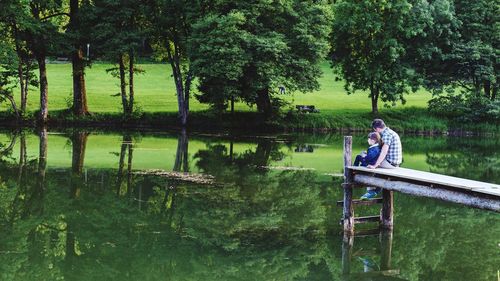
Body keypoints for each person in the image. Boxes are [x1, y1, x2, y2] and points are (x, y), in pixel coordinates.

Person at [360, 119, 403, 200]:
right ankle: (375, 190)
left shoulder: (386, 135)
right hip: (393, 162)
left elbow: (384, 152)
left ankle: (371, 191)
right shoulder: (390, 132)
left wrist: (375, 165)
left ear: (377, 129)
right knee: (371, 157)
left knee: (369, 162)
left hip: (390, 163)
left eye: (375, 130)